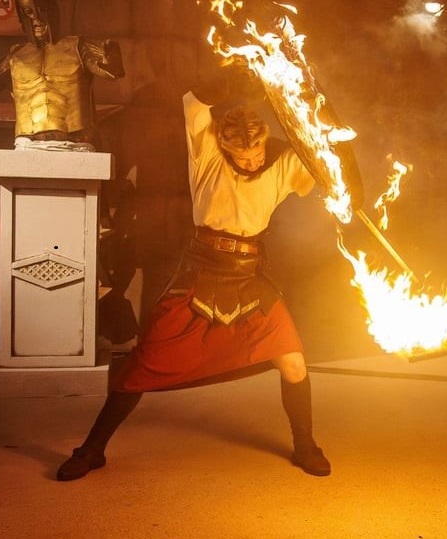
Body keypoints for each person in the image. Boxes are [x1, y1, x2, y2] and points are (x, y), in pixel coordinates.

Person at [55, 84, 332, 481]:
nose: (252, 161)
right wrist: (237, 69)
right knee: (143, 364)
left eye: (257, 152)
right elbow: (196, 99)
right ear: (225, 145)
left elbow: (324, 166)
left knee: (292, 360)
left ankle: (306, 445)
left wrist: (319, 131)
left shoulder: (285, 160)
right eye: (243, 154)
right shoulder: (206, 154)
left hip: (250, 276)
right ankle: (92, 449)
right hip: (200, 272)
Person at [0, 0, 124, 151]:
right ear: (21, 17)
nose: (36, 19)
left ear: (53, 11)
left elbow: (110, 71)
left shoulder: (78, 47)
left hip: (76, 144)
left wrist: (112, 60)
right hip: (28, 145)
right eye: (28, 12)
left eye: (41, 9)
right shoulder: (15, 58)